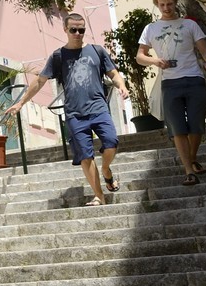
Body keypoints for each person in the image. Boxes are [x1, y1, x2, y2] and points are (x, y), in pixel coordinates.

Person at [8, 12, 128, 206]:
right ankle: (99, 195)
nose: (78, 33)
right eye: (73, 30)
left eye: (81, 30)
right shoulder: (58, 56)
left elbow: (113, 73)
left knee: (111, 141)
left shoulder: (97, 51)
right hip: (74, 114)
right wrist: (21, 103)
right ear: (65, 30)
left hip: (98, 108)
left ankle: (106, 169)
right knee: (85, 155)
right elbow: (40, 81)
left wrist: (121, 85)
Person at [137, 0, 206, 185]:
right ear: (157, 4)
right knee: (177, 129)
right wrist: (156, 61)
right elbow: (140, 56)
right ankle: (189, 170)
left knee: (197, 126)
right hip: (170, 83)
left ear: (175, 3)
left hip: (194, 80)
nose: (166, 8)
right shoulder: (151, 29)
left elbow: (204, 49)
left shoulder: (190, 25)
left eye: (170, 4)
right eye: (162, 4)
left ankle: (191, 159)